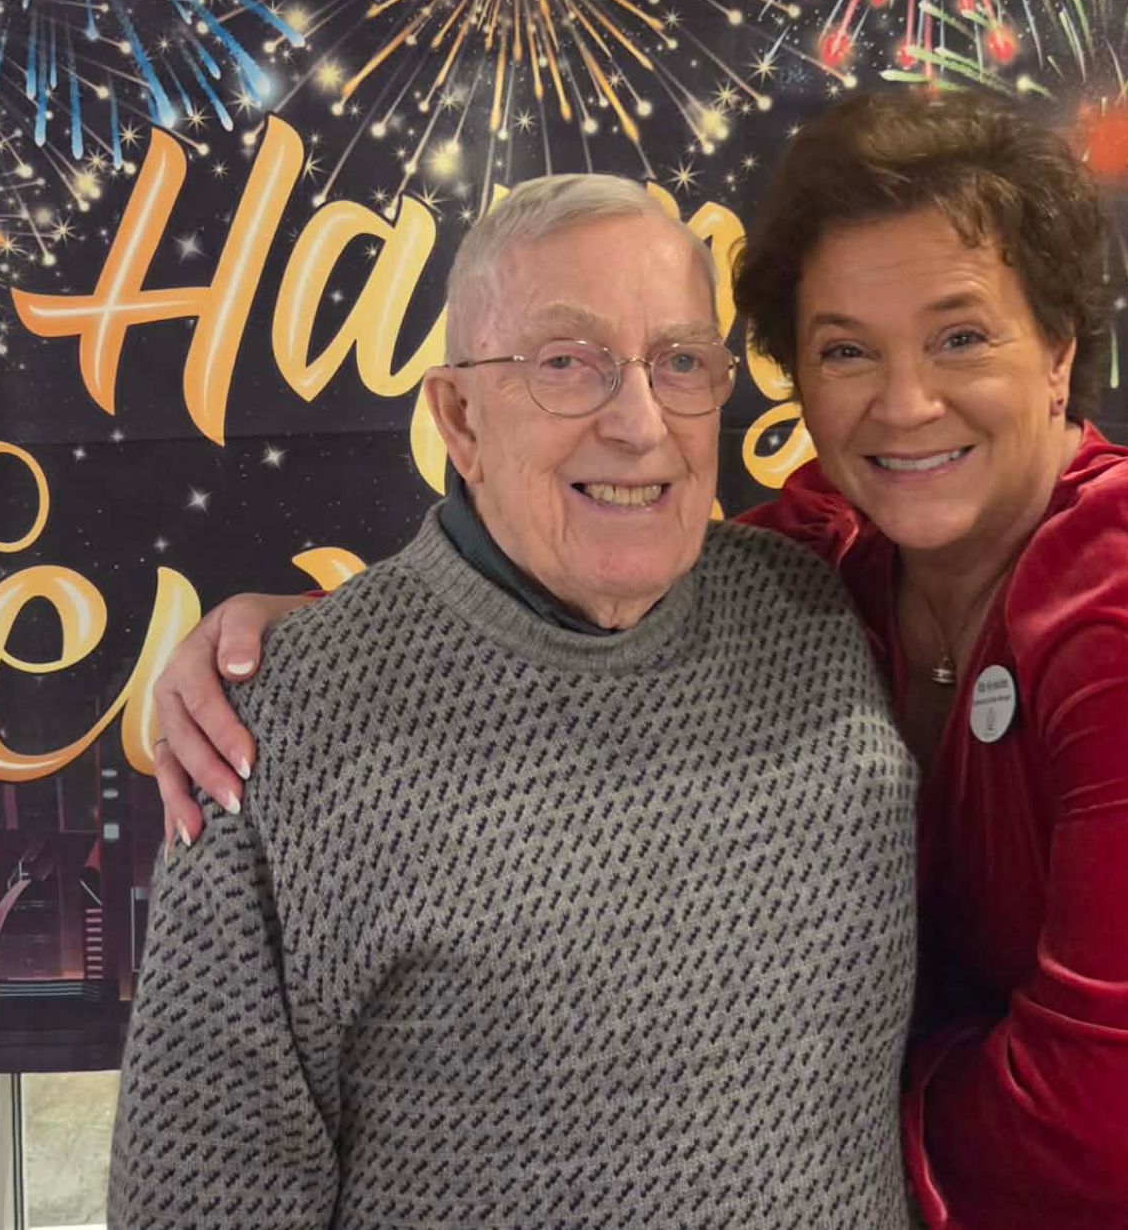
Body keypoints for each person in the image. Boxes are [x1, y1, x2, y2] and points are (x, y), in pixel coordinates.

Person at [146, 92, 1128, 1227]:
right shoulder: (824, 550)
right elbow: (579, 526)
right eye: (845, 351)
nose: (905, 401)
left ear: (1059, 351)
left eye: (961, 336)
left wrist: (795, 1135)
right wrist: (311, 634)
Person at [109, 174, 920, 1228]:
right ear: (458, 416)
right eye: (566, 365)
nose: (638, 423)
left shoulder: (814, 610)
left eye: (679, 362)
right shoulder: (274, 732)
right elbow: (197, 1200)